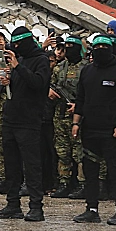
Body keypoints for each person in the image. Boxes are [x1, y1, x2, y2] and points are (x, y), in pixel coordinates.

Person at [70, 35, 116, 225]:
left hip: (112, 130)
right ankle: (91, 209)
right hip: (90, 129)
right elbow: (80, 99)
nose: (100, 50)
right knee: (90, 171)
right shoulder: (87, 71)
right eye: (96, 47)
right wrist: (75, 123)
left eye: (104, 47)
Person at [0, 27, 50, 222]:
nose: (15, 48)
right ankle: (12, 204)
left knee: (32, 166)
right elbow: (20, 85)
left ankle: (36, 206)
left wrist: (18, 67)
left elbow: (38, 83)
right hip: (11, 118)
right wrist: (7, 81)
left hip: (29, 120)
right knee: (11, 165)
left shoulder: (40, 60)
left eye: (18, 44)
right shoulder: (21, 59)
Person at [49, 36, 88, 198]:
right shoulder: (59, 68)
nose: (69, 50)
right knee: (62, 151)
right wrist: (50, 93)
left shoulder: (86, 68)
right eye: (67, 46)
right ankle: (64, 182)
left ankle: (82, 184)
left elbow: (90, 93)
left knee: (80, 152)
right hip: (60, 115)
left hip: (79, 118)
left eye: (72, 46)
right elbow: (51, 85)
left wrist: (79, 106)